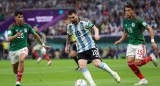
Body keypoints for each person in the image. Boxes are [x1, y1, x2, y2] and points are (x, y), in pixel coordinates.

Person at [65, 9, 120, 86]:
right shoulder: (70, 26)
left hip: (91, 46)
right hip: (80, 49)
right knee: (81, 66)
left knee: (97, 64)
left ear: (77, 15)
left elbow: (95, 28)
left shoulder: (84, 21)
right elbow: (69, 36)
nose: (72, 19)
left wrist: (96, 34)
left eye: (73, 17)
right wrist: (67, 46)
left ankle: (112, 73)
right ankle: (92, 83)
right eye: (70, 18)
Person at [114, 4, 158, 85]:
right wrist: (120, 41)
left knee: (138, 63)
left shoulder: (138, 20)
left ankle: (150, 58)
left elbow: (149, 28)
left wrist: (152, 41)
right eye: (126, 11)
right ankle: (143, 79)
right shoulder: (124, 21)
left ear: (133, 11)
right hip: (131, 44)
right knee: (130, 63)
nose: (127, 12)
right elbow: (126, 32)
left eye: (129, 10)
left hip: (140, 44)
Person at [8, 11, 51, 86]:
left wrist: (43, 44)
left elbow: (36, 35)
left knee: (21, 60)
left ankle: (18, 81)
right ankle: (17, 75)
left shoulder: (27, 26)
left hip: (23, 47)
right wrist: (15, 36)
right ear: (15, 18)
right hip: (13, 49)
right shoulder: (12, 27)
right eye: (18, 17)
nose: (21, 18)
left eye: (21, 17)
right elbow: (9, 39)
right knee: (15, 70)